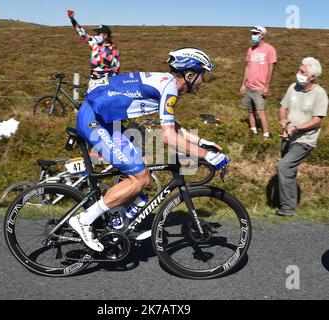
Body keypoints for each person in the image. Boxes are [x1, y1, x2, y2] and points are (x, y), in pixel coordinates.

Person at [69, 47, 230, 251]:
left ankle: (119, 219)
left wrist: (200, 143)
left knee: (143, 165)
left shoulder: (167, 84)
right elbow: (168, 137)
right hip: (94, 120)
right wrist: (208, 156)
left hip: (104, 118)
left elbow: (172, 126)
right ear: (189, 75)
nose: (202, 81)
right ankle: (84, 220)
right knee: (141, 178)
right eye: (202, 76)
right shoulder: (170, 88)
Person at [276, 57, 328, 216]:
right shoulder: (293, 87)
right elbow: (283, 107)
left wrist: (297, 128)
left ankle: (287, 208)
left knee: (283, 167)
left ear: (312, 77)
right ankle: (288, 204)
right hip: (287, 136)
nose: (298, 73)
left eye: (302, 72)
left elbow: (317, 120)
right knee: (288, 171)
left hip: (305, 140)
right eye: (299, 70)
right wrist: (283, 120)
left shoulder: (320, 94)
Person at [67, 10, 120, 90]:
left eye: (98, 34)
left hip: (105, 82)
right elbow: (82, 33)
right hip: (92, 80)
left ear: (105, 36)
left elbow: (116, 68)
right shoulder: (94, 43)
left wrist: (111, 83)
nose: (96, 35)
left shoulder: (113, 49)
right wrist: (72, 19)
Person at [240, 26, 277, 139]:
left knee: (260, 111)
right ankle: (253, 131)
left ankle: (266, 135)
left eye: (256, 33)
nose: (253, 35)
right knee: (250, 110)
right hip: (249, 86)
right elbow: (247, 67)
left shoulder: (269, 49)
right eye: (253, 33)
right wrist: (243, 84)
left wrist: (267, 86)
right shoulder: (251, 49)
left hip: (260, 87)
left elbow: (271, 68)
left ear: (262, 35)